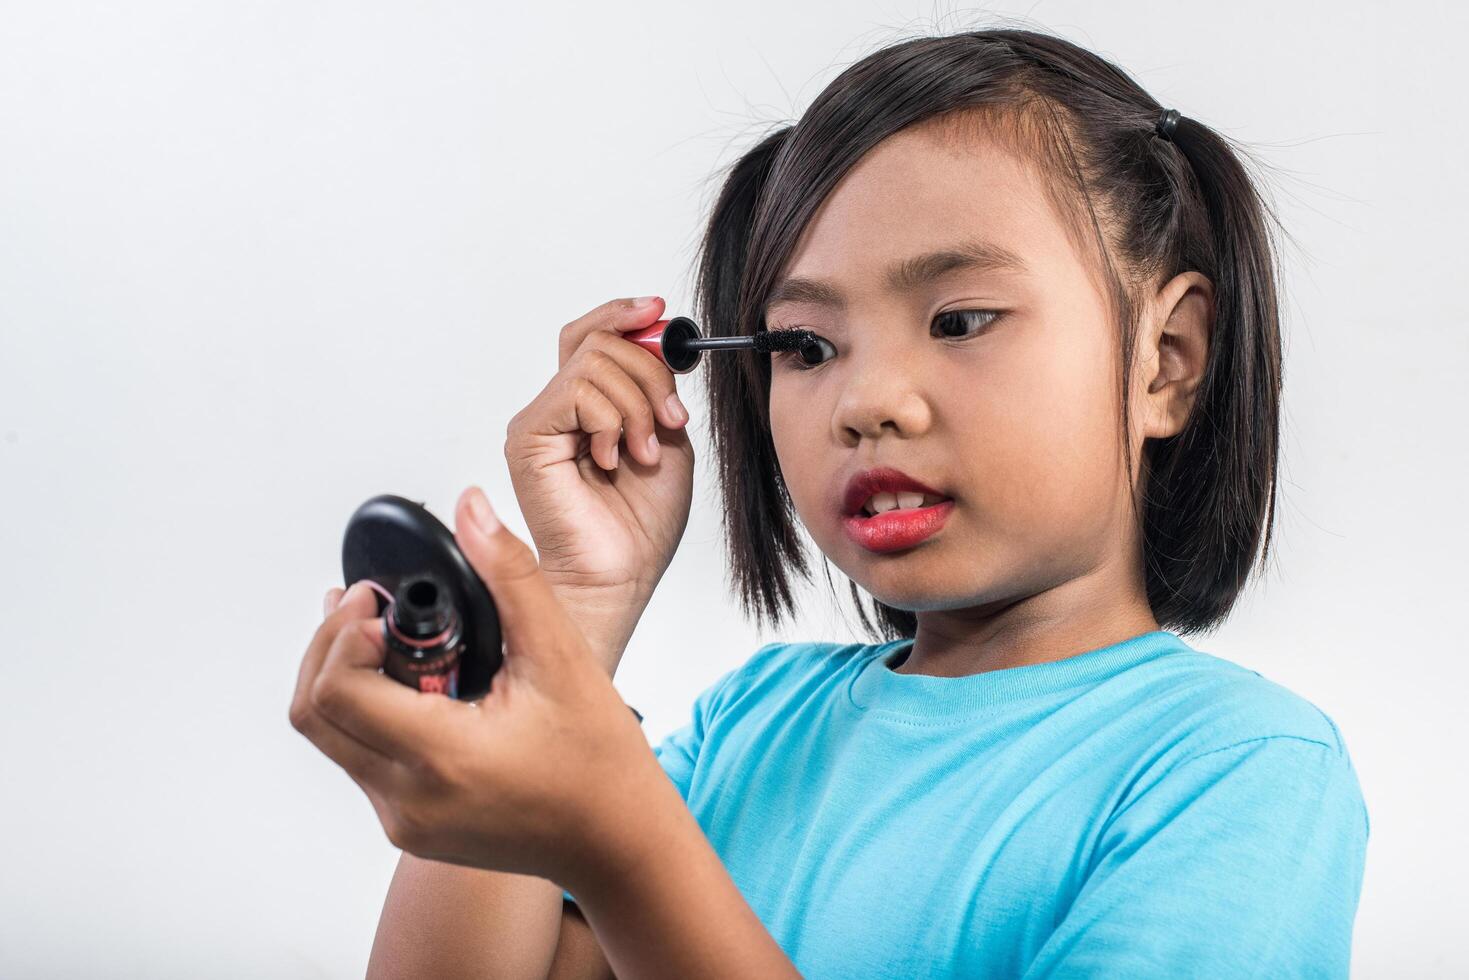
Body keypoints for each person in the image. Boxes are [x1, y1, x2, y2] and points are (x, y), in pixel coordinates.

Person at [291, 27, 1370, 979]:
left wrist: (619, 842)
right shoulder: (747, 726)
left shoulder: (1237, 770)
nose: (864, 403)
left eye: (957, 319)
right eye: (804, 345)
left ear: (1165, 360)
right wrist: (570, 611)